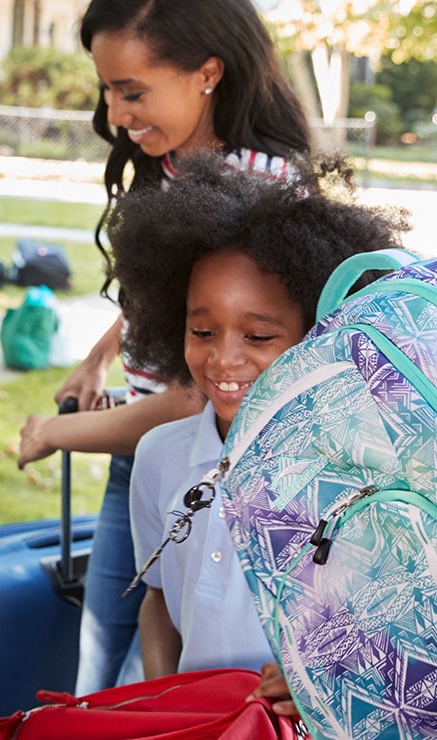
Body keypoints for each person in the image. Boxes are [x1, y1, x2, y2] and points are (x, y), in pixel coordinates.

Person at [15, 0, 315, 695]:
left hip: (208, 470)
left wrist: (57, 431)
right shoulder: (178, 163)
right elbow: (175, 301)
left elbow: (197, 392)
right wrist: (99, 355)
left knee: (142, 692)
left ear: (208, 73)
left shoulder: (255, 185)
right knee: (100, 684)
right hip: (147, 467)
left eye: (132, 90)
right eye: (108, 90)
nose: (117, 113)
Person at [110, 152, 405, 681]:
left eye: (259, 337)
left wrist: (317, 689)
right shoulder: (159, 458)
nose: (223, 359)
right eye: (203, 332)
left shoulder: (361, 471)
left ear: (317, 333)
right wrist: (164, 699)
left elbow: (396, 629)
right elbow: (158, 599)